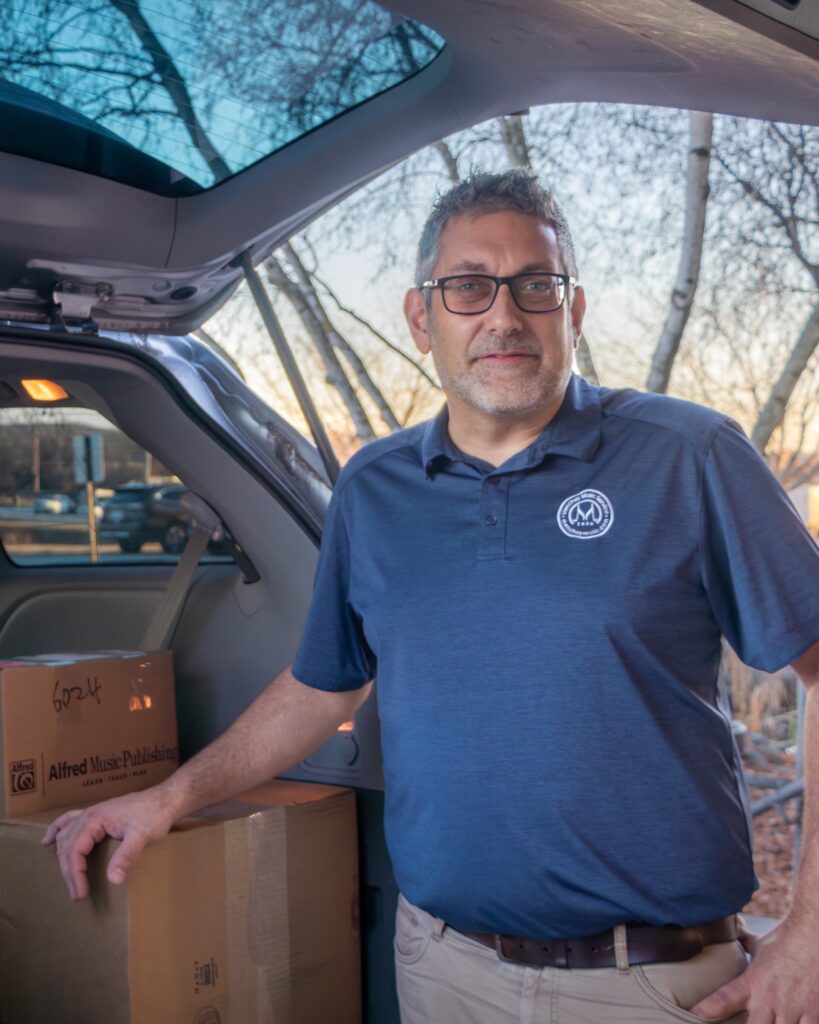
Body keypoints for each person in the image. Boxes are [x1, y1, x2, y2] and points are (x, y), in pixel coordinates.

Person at [45, 170, 819, 1024]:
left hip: (649, 985)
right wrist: (168, 798)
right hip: (441, 969)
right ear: (422, 318)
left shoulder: (689, 455)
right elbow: (322, 686)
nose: (503, 314)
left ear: (574, 309)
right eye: (467, 287)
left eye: (535, 284)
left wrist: (810, 932)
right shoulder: (375, 487)